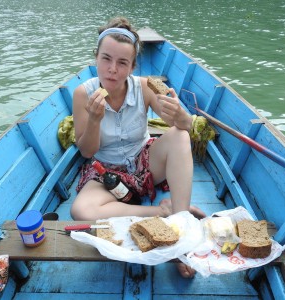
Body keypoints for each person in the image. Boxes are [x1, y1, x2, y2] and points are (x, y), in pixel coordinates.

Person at [70, 17, 206, 278]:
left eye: (122, 63)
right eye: (106, 59)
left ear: (132, 66)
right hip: (105, 169)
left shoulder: (144, 87)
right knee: (80, 210)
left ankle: (180, 231)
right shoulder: (82, 94)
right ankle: (162, 212)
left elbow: (185, 126)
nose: (112, 69)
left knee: (178, 136)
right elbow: (87, 152)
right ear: (96, 58)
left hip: (144, 160)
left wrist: (180, 115)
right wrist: (95, 120)